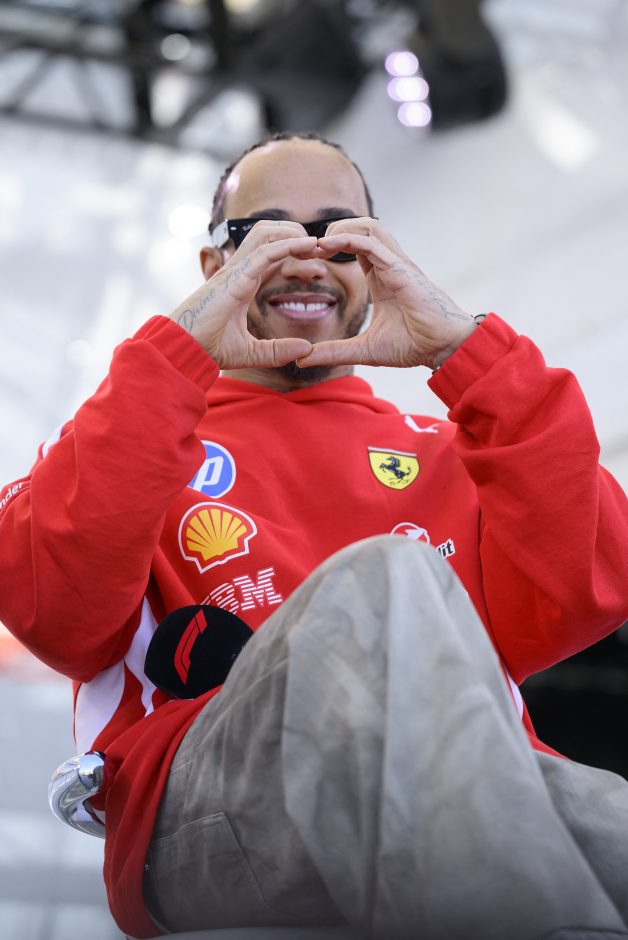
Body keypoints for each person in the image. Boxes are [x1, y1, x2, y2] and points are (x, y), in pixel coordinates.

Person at [0, 130, 627, 940]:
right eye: (264, 234)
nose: (305, 259)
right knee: (386, 581)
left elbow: (592, 583)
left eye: (339, 235)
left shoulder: (454, 451)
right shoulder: (131, 433)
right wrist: (176, 355)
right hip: (207, 811)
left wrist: (466, 352)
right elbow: (57, 613)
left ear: (375, 263)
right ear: (212, 267)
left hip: (467, 786)